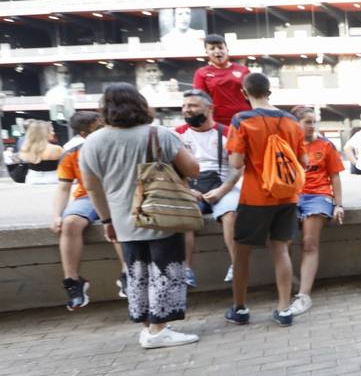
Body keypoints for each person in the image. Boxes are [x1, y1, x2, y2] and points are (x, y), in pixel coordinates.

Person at [79, 83, 200, 348]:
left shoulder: (92, 142)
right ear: (140, 104)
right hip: (160, 213)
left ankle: (148, 327)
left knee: (138, 273)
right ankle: (159, 330)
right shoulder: (158, 135)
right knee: (166, 270)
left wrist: (107, 220)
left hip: (123, 218)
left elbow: (91, 187)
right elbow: (193, 169)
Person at [224, 72, 306, 327]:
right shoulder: (292, 121)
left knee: (242, 253)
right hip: (288, 196)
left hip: (255, 196)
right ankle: (283, 309)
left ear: (244, 93)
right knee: (281, 250)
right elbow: (303, 162)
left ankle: (240, 308)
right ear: (269, 91)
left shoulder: (241, 120)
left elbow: (236, 162)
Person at [52, 111, 127, 310]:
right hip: (86, 196)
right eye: (99, 126)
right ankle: (73, 282)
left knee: (118, 219)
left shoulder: (117, 145)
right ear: (84, 133)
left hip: (115, 195)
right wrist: (56, 215)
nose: (105, 128)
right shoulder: (72, 152)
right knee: (70, 223)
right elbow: (64, 187)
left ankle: (128, 273)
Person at [176, 89, 242, 288]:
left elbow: (237, 167)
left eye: (192, 106)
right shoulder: (177, 134)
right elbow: (171, 169)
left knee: (230, 213)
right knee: (185, 216)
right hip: (191, 187)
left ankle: (236, 265)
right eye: (184, 106)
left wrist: (222, 191)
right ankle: (186, 269)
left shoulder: (227, 132)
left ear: (209, 108)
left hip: (223, 186)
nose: (187, 110)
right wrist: (186, 190)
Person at [290, 106, 346, 316]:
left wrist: (338, 204)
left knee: (309, 242)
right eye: (307, 122)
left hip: (318, 196)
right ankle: (291, 283)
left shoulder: (326, 145)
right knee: (282, 241)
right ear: (296, 124)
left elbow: (335, 177)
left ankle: (304, 295)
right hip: (292, 196)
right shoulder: (286, 145)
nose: (312, 126)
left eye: (314, 122)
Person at [192, 34, 251, 129]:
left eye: (220, 47)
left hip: (245, 120)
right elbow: (200, 100)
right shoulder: (201, 73)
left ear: (227, 49)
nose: (217, 51)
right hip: (218, 123)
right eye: (212, 48)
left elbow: (253, 97)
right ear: (206, 52)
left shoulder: (244, 70)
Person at [19, 120, 63, 184]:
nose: (53, 133)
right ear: (44, 133)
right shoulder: (56, 149)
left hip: (31, 179)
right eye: (51, 130)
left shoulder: (26, 149)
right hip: (53, 179)